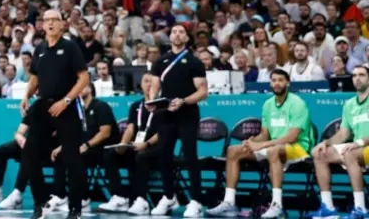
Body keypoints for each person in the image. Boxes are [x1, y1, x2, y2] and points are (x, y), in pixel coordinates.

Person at [207, 68, 312, 219]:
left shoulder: (297, 103)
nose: (277, 83)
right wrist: (251, 141)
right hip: (273, 146)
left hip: (299, 148)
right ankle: (229, 203)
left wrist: (262, 145)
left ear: (288, 83)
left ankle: (277, 205)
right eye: (274, 80)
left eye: (280, 80)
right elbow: (264, 134)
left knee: (273, 151)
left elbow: (292, 137)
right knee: (233, 150)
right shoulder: (268, 104)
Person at [19, 9, 90, 219]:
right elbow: (34, 78)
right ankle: (41, 201)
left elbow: (84, 78)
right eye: (46, 20)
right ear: (42, 25)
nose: (50, 23)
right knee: (28, 151)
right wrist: (26, 96)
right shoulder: (40, 49)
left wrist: (66, 100)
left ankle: (75, 208)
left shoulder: (70, 47)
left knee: (71, 157)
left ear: (62, 24)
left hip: (66, 105)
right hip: (43, 105)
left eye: (54, 20)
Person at [152, 24, 209, 218]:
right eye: (174, 31)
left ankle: (196, 201)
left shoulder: (194, 61)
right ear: (170, 36)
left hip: (187, 114)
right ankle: (169, 196)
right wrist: (152, 102)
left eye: (181, 32)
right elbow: (154, 85)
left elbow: (202, 92)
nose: (177, 34)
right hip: (166, 114)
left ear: (186, 38)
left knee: (190, 157)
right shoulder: (160, 61)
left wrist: (183, 101)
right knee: (163, 155)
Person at [98, 73, 166, 215]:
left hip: (157, 147)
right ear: (140, 85)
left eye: (152, 82)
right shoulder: (137, 105)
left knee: (141, 156)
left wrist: (146, 144)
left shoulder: (163, 106)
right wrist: (122, 144)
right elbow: (130, 128)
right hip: (136, 145)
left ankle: (141, 201)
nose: (149, 85)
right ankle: (119, 197)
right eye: (145, 81)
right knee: (110, 155)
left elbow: (164, 133)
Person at [309, 63, 369, 218]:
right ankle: (328, 208)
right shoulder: (349, 105)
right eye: (354, 75)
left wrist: (359, 143)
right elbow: (343, 134)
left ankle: (360, 208)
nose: (357, 79)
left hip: (363, 146)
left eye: (361, 75)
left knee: (350, 154)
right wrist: (326, 143)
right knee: (319, 153)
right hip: (358, 148)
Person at [46, 83, 116, 212]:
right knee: (61, 155)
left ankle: (83, 197)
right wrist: (63, 146)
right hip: (85, 148)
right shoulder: (79, 110)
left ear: (90, 89)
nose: (77, 91)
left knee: (77, 157)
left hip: (102, 149)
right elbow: (75, 134)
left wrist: (86, 145)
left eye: (81, 87)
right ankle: (60, 195)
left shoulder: (101, 106)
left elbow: (105, 133)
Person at [0, 119, 52, 210]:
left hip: (48, 146)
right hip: (29, 142)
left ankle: (18, 193)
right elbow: (20, 131)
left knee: (28, 154)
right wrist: (20, 137)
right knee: (2, 150)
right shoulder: (36, 108)